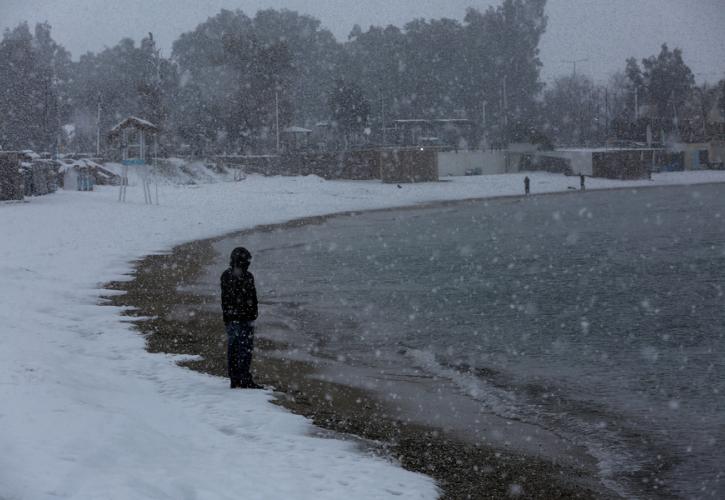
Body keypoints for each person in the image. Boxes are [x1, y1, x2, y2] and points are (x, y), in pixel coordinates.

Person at [221, 247, 262, 389]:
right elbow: (250, 296)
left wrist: (253, 312)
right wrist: (252, 312)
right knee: (242, 349)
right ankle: (241, 378)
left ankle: (237, 378)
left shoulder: (229, 275)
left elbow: (250, 297)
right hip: (240, 318)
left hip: (237, 318)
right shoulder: (239, 276)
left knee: (237, 349)